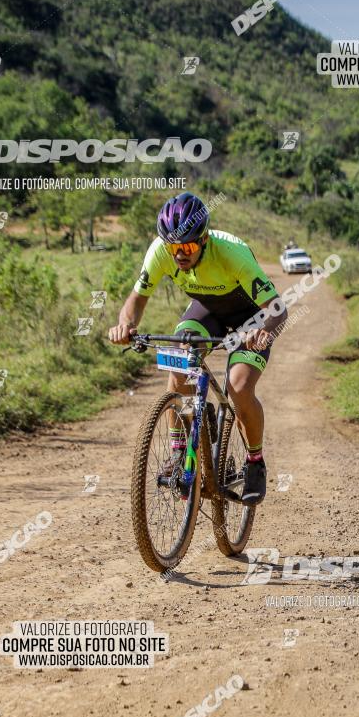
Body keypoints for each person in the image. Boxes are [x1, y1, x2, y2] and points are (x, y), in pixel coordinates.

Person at [108, 192, 287, 505]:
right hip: (207, 312)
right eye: (173, 247)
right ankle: (180, 452)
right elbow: (136, 300)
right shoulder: (160, 250)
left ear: (204, 239)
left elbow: (277, 310)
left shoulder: (232, 254)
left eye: (188, 246)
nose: (179, 254)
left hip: (252, 317)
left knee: (239, 387)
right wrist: (126, 326)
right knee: (178, 365)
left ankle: (255, 461)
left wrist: (263, 333)